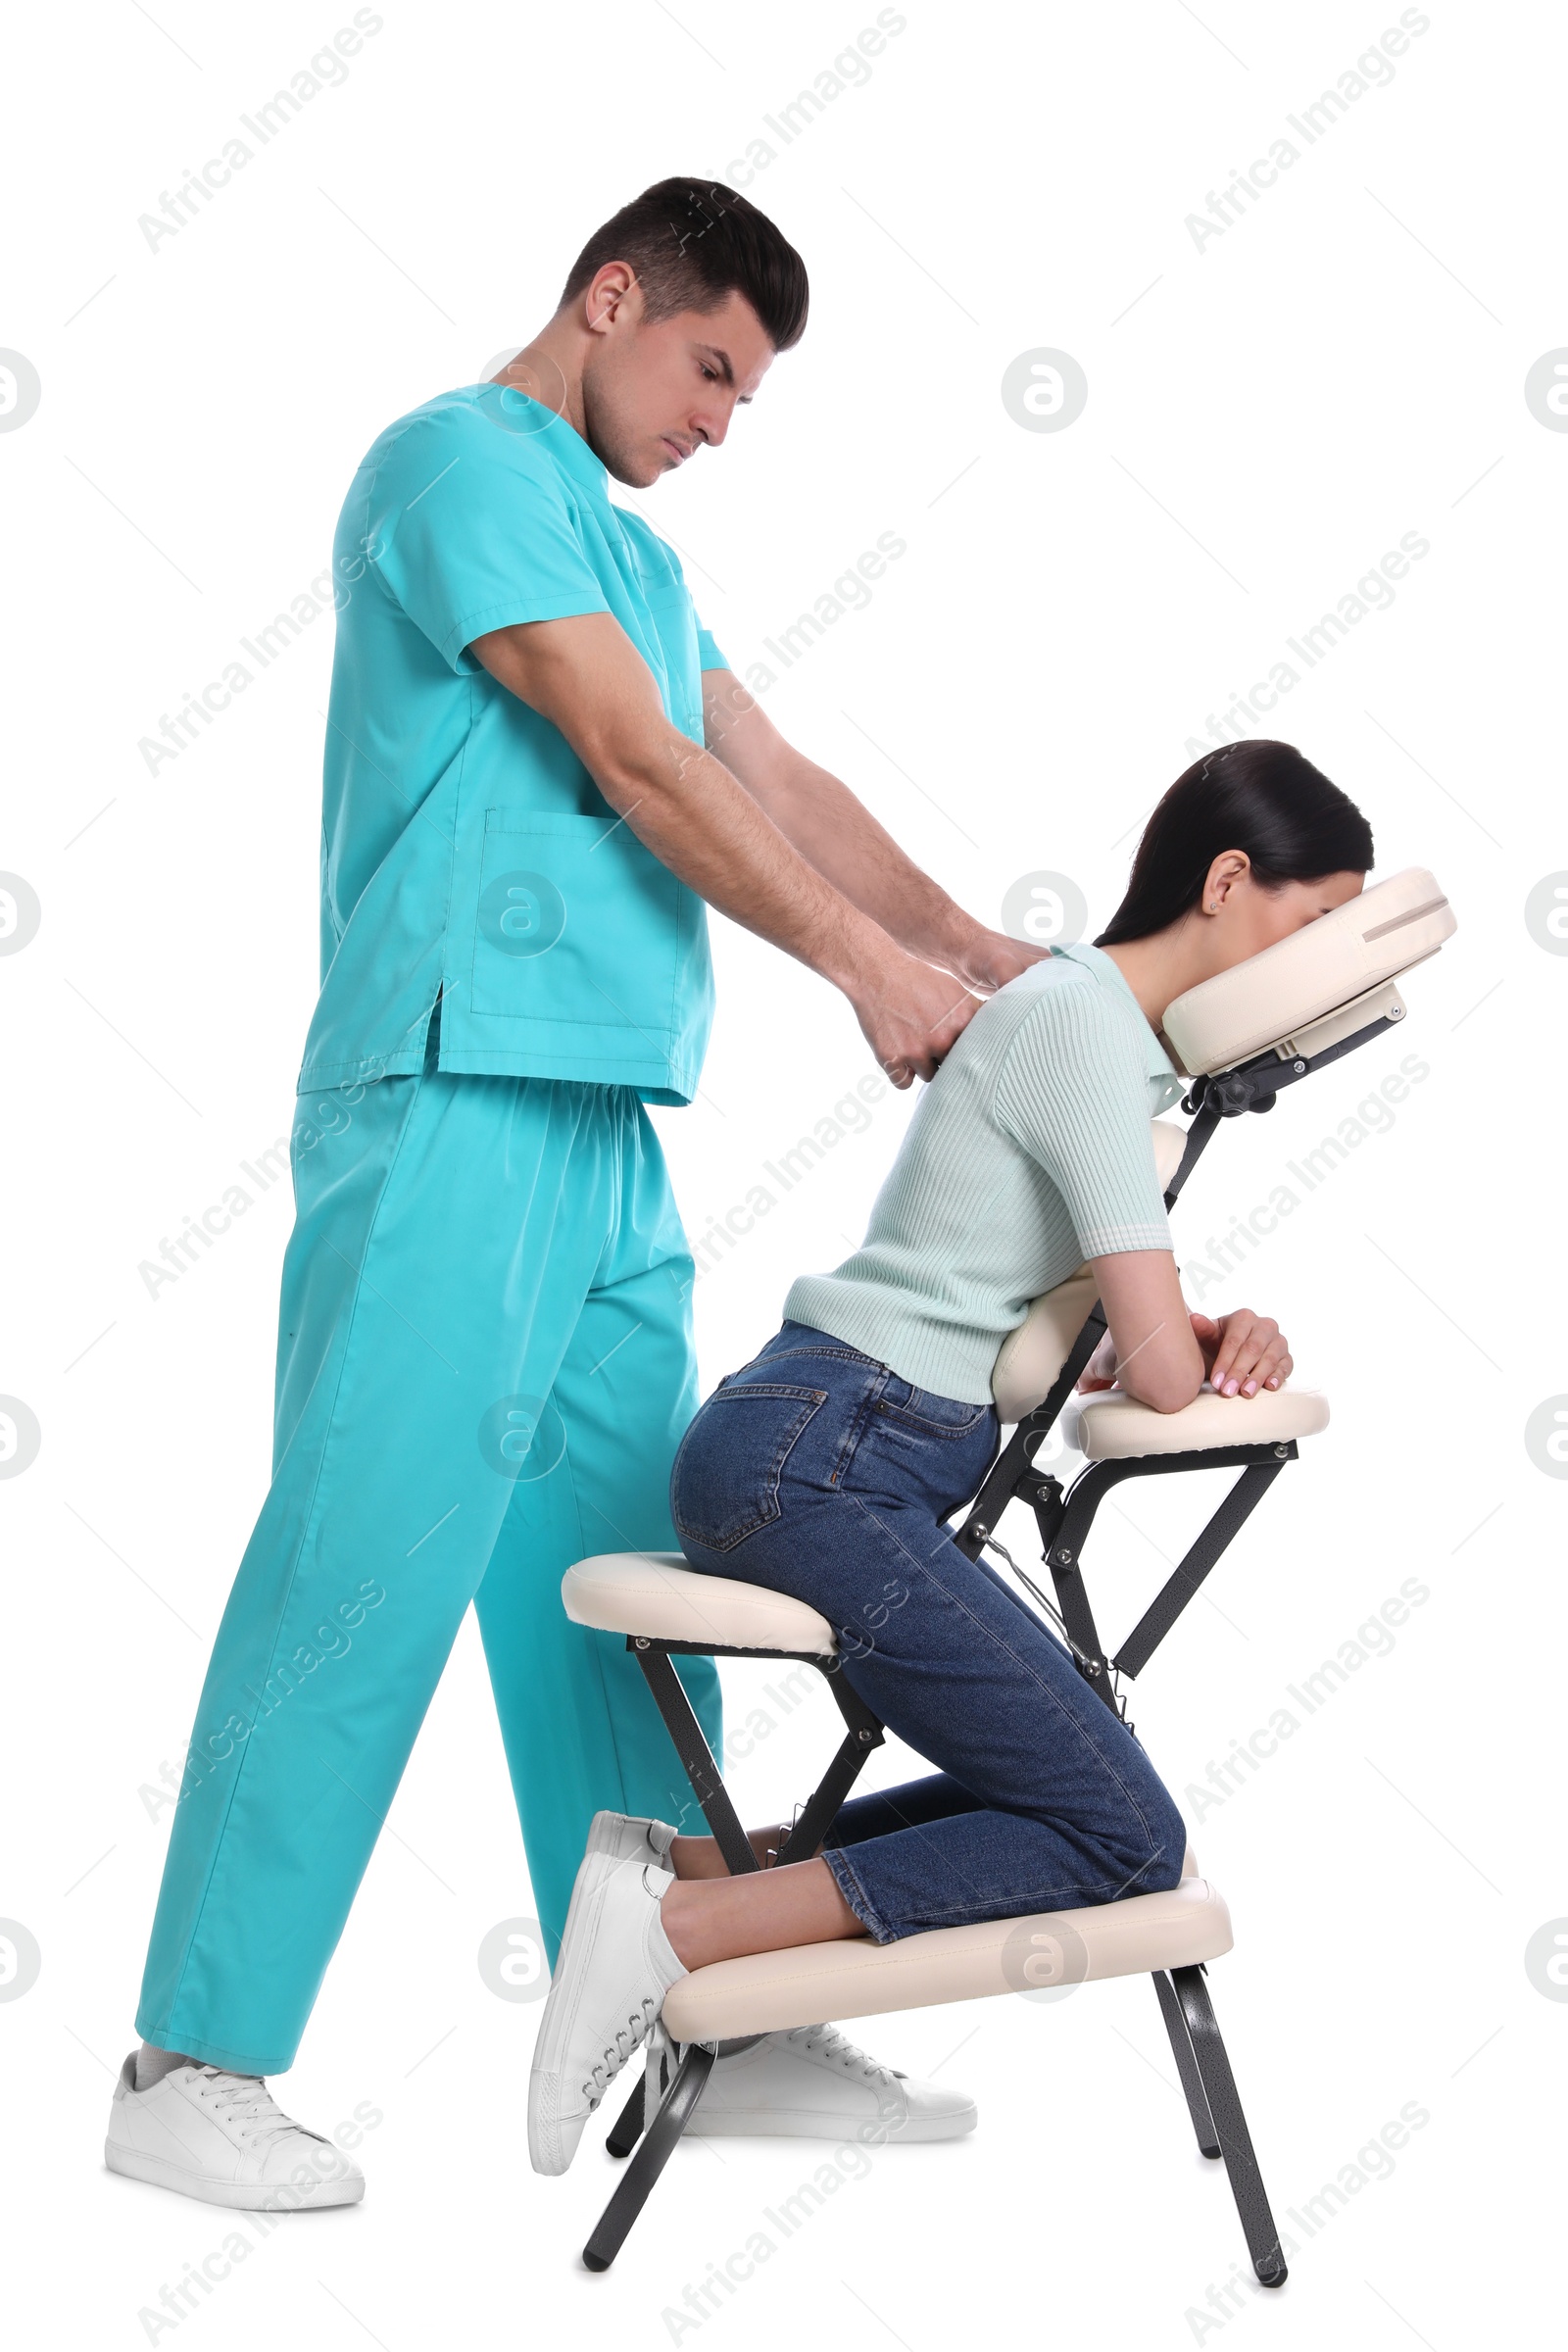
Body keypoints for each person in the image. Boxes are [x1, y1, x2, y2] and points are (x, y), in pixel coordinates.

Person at [107, 178, 1046, 2209]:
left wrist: (972, 946)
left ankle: (709, 2016)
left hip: (605, 1120)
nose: (721, 418)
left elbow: (766, 776)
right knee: (362, 1556)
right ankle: (190, 2061)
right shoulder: (458, 464)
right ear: (609, 297)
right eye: (709, 366)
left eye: (747, 395)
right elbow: (631, 762)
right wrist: (866, 980)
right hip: (452, 1084)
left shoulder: (631, 550)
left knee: (631, 1593)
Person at [527, 741, 1374, 2175]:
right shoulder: (1087, 1036)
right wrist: (1192, 1334)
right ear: (1229, 884)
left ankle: (676, 1875)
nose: (1315, 970)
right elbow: (1158, 1370)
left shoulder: (1092, 1030)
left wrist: (1208, 1316)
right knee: (1118, 1831)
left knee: (1070, 1780)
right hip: (823, 1455)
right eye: (1314, 924)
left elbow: (1072, 1325)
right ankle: (684, 1936)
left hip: (835, 1444)